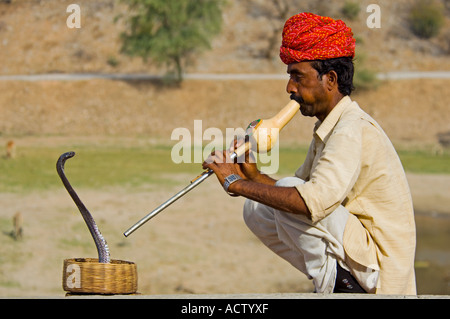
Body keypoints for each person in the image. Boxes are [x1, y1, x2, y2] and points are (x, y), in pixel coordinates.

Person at [203, 12, 416, 294]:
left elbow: (308, 202)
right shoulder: (329, 126)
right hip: (358, 252)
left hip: (381, 268)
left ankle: (340, 287)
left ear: (330, 79)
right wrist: (252, 175)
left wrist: (236, 183)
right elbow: (295, 198)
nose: (290, 88)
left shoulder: (350, 129)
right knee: (258, 210)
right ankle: (337, 279)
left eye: (297, 77)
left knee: (292, 193)